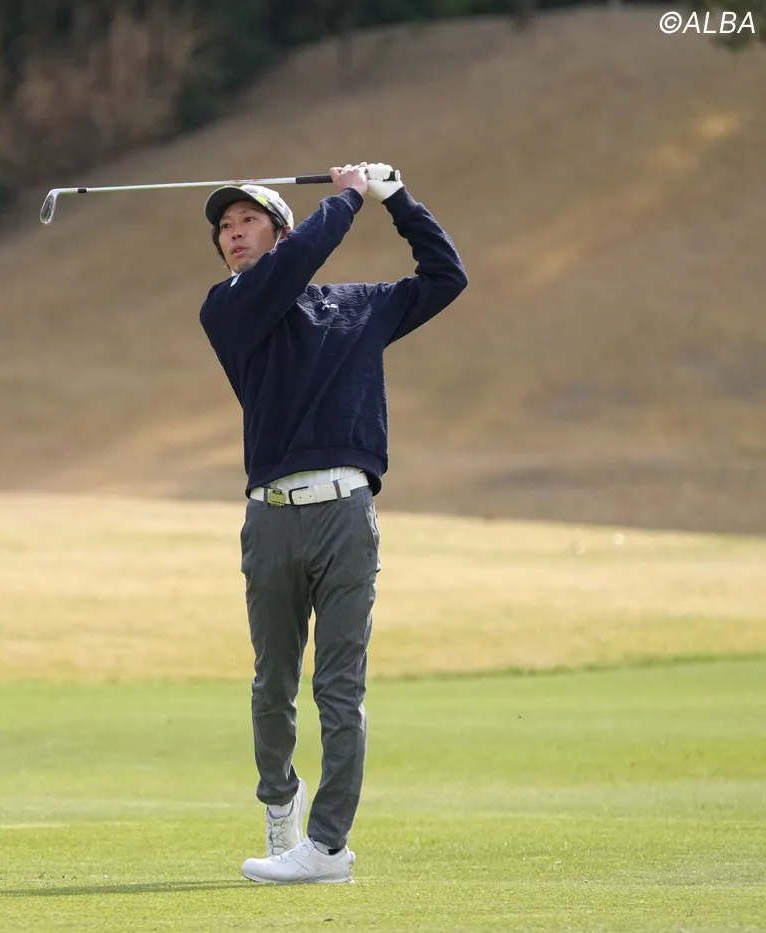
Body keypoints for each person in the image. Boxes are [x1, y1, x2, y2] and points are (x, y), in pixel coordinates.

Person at [197, 162, 467, 884]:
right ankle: (279, 801)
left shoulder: (359, 307)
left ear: (280, 231)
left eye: (248, 221)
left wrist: (397, 198)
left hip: (346, 512)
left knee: (340, 688)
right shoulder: (229, 308)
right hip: (271, 518)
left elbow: (447, 276)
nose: (232, 234)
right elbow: (298, 263)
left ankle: (326, 847)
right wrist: (348, 197)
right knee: (272, 684)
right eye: (225, 227)